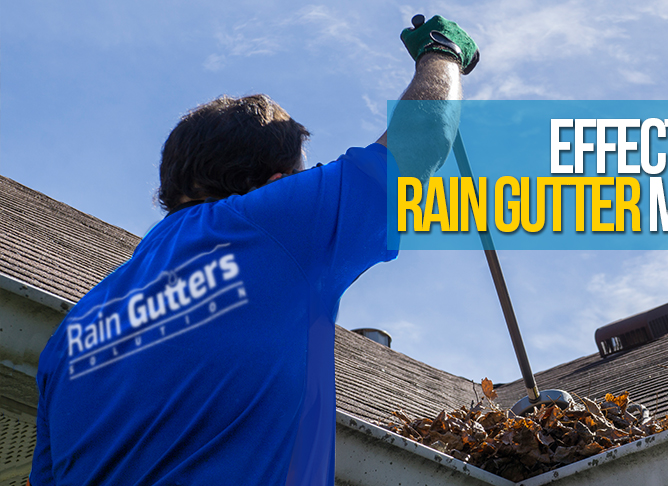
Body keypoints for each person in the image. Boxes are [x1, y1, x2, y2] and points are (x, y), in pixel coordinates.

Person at [29, 15, 478, 486]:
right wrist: (443, 53)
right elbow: (419, 143)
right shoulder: (270, 225)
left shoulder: (70, 334)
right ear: (277, 184)